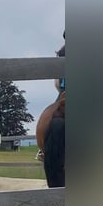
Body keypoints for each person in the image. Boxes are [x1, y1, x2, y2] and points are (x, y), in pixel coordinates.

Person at [36, 30, 66, 161]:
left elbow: (57, 83)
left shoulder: (61, 53)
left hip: (64, 91)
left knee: (53, 111)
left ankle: (43, 151)